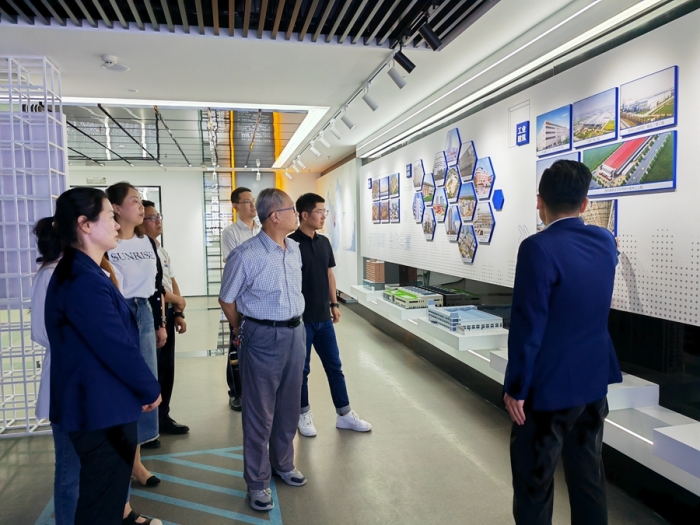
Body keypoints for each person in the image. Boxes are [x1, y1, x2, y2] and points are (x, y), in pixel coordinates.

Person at [503, 159, 622, 525]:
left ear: (539, 201)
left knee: (534, 484)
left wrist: (516, 387)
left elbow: (528, 324)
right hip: (592, 383)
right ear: (585, 203)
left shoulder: (537, 248)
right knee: (589, 478)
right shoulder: (605, 241)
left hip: (548, 389)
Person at [44, 187, 162, 525]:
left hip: (103, 404)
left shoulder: (86, 271)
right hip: (98, 409)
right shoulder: (82, 279)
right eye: (110, 216)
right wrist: (148, 388)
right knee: (100, 504)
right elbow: (114, 345)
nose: (117, 224)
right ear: (85, 224)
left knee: (105, 500)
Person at [219, 188, 307, 512]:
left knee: (289, 405)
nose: (296, 214)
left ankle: (283, 464)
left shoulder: (294, 249)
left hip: (295, 333)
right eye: (292, 209)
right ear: (275, 217)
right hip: (262, 335)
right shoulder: (245, 255)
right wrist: (240, 329)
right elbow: (227, 299)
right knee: (259, 411)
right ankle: (257, 482)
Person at [289, 193, 372, 436]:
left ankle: (344, 414)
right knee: (301, 371)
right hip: (300, 320)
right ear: (305, 215)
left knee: (335, 366)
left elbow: (329, 274)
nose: (324, 216)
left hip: (323, 318)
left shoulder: (324, 242)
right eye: (320, 211)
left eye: (324, 211)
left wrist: (334, 304)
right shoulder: (290, 244)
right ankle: (303, 414)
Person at [106, 183, 165, 480]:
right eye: (134, 201)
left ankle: (136, 461)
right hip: (117, 312)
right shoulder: (107, 242)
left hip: (144, 311)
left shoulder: (147, 242)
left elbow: (157, 286)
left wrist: (160, 323)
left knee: (145, 382)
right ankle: (121, 460)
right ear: (116, 208)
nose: (142, 206)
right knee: (121, 383)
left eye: (141, 201)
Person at [141, 200, 189, 435]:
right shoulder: (141, 251)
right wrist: (177, 300)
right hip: (153, 313)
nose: (157, 221)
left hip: (168, 312)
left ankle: (163, 416)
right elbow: (155, 288)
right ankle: (149, 425)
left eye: (158, 216)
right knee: (154, 368)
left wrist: (178, 311)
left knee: (167, 368)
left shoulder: (161, 249)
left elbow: (171, 280)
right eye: (151, 218)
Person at [221, 187, 261, 411]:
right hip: (239, 299)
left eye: (253, 201)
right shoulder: (231, 233)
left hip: (260, 299)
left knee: (257, 347)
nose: (252, 205)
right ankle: (236, 392)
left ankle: (255, 391)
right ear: (236, 206)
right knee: (237, 345)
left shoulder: (262, 229)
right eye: (247, 202)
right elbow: (235, 266)